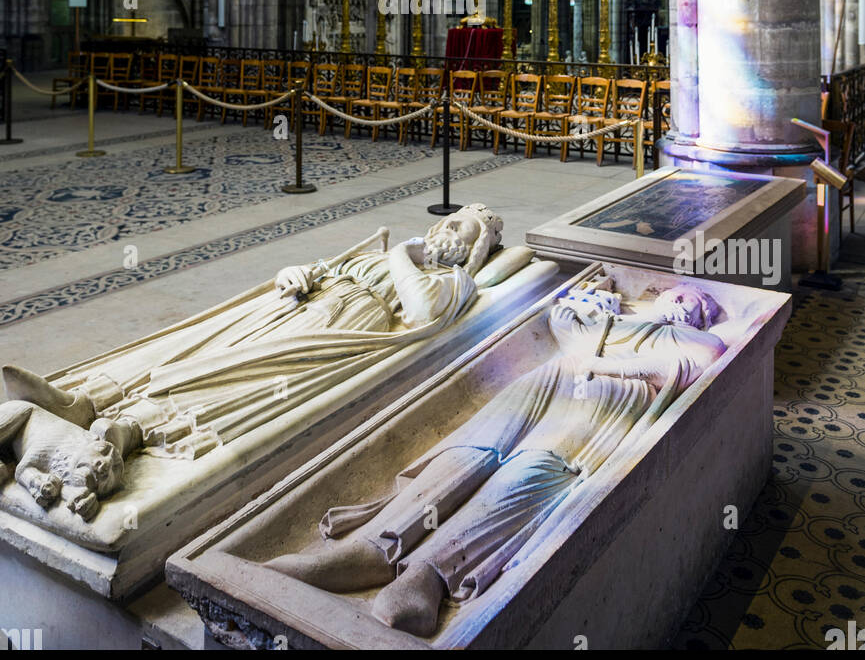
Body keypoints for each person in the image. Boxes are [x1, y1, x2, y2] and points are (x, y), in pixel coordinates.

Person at [268, 282, 726, 637]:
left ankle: (427, 574)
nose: (687, 305)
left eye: (698, 307)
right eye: (682, 295)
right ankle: (372, 548)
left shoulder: (696, 340)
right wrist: (595, 313)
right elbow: (562, 321)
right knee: (475, 452)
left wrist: (601, 359)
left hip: (608, 401)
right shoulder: (612, 316)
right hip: (554, 379)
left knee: (532, 469)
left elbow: (688, 366)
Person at [6, 207, 506, 478]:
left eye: (458, 224)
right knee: (204, 346)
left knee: (233, 376)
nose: (443, 225)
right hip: (305, 302)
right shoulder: (394, 255)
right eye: (447, 217)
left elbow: (421, 313)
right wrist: (294, 272)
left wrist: (403, 253)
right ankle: (86, 403)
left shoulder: (451, 279)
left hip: (342, 329)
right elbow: (323, 268)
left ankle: (127, 430)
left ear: (472, 246)